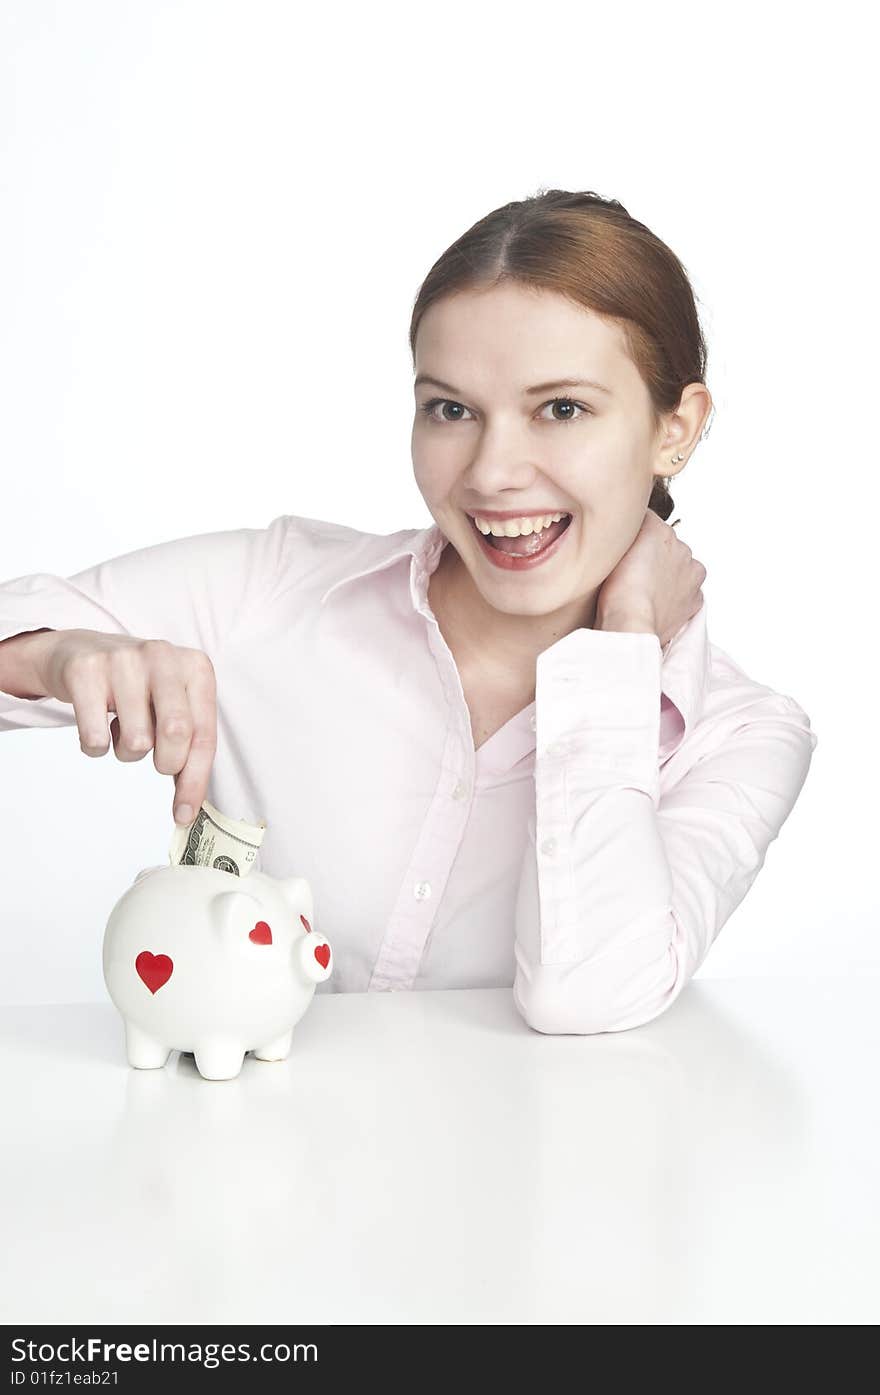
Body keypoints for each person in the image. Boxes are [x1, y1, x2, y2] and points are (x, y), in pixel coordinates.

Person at [0, 188, 817, 1033]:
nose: (493, 471)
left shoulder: (740, 735)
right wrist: (52, 654)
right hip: (246, 1162)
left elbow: (588, 994)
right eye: (451, 409)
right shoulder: (280, 587)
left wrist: (628, 642)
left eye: (561, 408)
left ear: (675, 429)